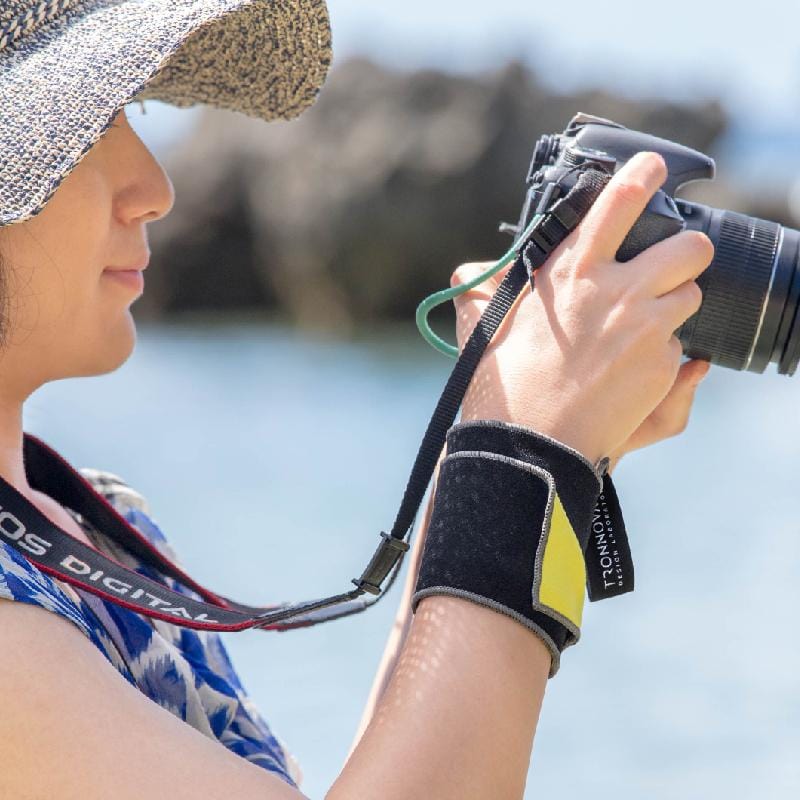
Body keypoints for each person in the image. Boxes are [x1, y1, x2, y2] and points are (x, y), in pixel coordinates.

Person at [0, 1, 714, 798]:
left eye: (131, 115)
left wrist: (512, 431)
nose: (155, 189)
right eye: (89, 129)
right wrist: (526, 451)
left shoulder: (95, 523)